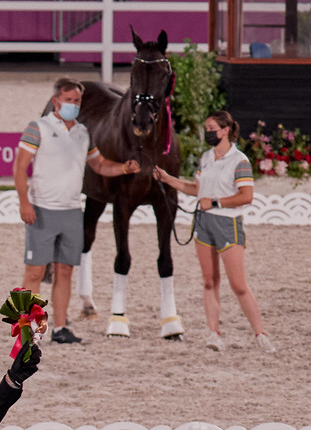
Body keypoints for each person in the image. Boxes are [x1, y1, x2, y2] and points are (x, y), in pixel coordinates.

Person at [14, 79, 142, 345]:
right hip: (43, 210)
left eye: (77, 101)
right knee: (34, 272)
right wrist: (24, 203)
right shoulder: (37, 128)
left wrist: (123, 168)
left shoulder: (84, 133)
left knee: (65, 272)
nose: (74, 105)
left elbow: (100, 165)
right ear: (57, 100)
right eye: (69, 100)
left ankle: (60, 327)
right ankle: (29, 331)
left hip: (72, 210)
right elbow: (20, 167)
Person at [155, 111, 275, 354]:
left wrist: (217, 202)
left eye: (212, 128)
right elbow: (198, 190)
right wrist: (169, 180)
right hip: (203, 223)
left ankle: (260, 333)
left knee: (238, 284)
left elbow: (246, 196)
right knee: (209, 282)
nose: (208, 132)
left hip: (227, 224)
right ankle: (213, 333)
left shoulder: (239, 161)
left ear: (225, 130)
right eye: (207, 128)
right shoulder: (206, 158)